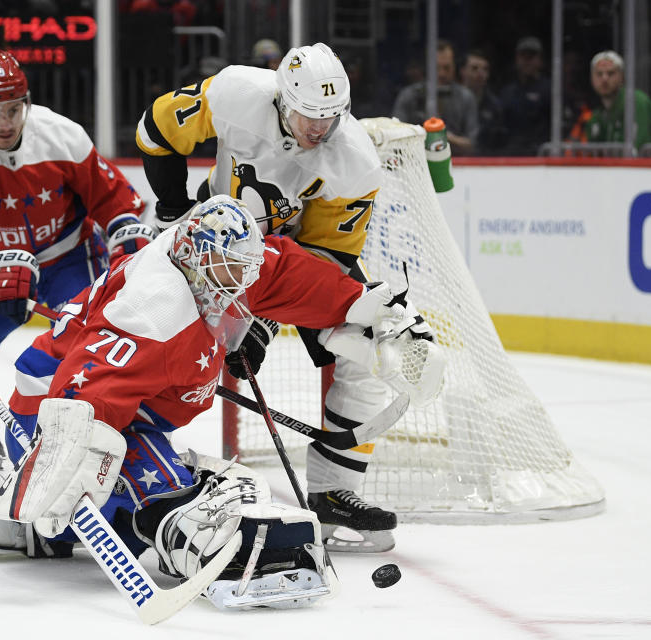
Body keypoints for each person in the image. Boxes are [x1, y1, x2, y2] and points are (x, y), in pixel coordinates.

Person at [0, 196, 441, 609]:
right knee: (152, 493)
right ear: (192, 262)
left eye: (243, 271)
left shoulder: (227, 260)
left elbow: (287, 273)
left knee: (136, 488)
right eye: (225, 275)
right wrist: (71, 454)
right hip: (62, 405)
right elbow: (85, 393)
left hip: (135, 405)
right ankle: (25, 500)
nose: (237, 287)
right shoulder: (153, 310)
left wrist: (371, 312)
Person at [135, 42, 436, 552]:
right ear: (281, 98)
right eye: (306, 115)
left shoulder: (356, 163)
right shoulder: (235, 92)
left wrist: (262, 322)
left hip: (285, 259)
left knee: (367, 344)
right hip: (210, 243)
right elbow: (156, 130)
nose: (317, 129)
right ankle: (127, 455)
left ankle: (334, 490)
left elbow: (324, 260)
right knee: (149, 334)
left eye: (330, 117)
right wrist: (172, 209)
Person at [0, 50, 151, 461]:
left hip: (69, 259)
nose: (5, 123)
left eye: (14, 109)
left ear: (27, 103)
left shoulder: (63, 135)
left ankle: (109, 448)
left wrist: (125, 230)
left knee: (90, 350)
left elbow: (111, 196)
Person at [392, 40, 479, 155]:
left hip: (458, 164)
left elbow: (472, 145)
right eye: (436, 68)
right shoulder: (409, 96)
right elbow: (394, 138)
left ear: (454, 67)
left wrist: (442, 136)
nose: (442, 74)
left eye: (446, 68)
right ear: (427, 68)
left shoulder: (466, 97)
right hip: (417, 163)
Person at [585, 50, 651, 151]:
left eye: (610, 73)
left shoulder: (636, 102)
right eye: (599, 74)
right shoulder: (598, 112)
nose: (604, 78)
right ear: (591, 78)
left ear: (622, 76)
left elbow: (638, 150)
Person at [499, 36, 551, 156]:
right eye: (523, 56)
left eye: (531, 56)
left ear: (540, 60)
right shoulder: (507, 92)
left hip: (541, 154)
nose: (527, 61)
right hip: (511, 154)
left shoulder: (550, 90)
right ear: (517, 59)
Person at [459, 49, 507, 155]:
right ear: (462, 71)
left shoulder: (495, 106)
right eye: (474, 68)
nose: (480, 73)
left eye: (485, 69)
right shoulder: (452, 100)